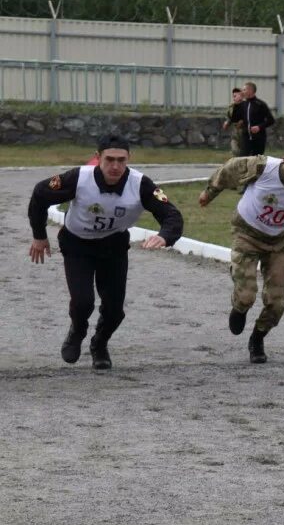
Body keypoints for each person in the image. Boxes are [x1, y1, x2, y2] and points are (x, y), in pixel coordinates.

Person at [27, 133, 184, 370]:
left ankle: (99, 343)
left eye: (121, 160)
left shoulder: (140, 184)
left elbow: (171, 215)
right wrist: (39, 235)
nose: (115, 166)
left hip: (113, 246)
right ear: (98, 158)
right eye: (109, 159)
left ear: (129, 159)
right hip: (77, 245)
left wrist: (164, 236)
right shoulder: (79, 178)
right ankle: (77, 331)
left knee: (114, 310)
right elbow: (40, 194)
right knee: (83, 303)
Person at [198, 141, 284, 364]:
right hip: (246, 232)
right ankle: (239, 308)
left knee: (277, 302)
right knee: (246, 295)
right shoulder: (262, 166)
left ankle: (258, 337)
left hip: (279, 241)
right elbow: (229, 169)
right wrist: (209, 192)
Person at [230, 81, 276, 156]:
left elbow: (271, 120)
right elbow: (234, 119)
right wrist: (236, 105)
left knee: (256, 161)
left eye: (244, 90)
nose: (242, 92)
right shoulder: (243, 105)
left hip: (259, 138)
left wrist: (259, 127)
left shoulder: (260, 104)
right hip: (246, 137)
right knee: (243, 158)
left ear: (250, 91)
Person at [222, 87, 245, 157]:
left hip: (245, 136)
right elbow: (229, 118)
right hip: (235, 136)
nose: (234, 98)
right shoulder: (231, 107)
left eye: (235, 96)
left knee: (245, 155)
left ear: (241, 96)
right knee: (235, 151)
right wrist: (226, 123)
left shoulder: (248, 106)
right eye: (233, 96)